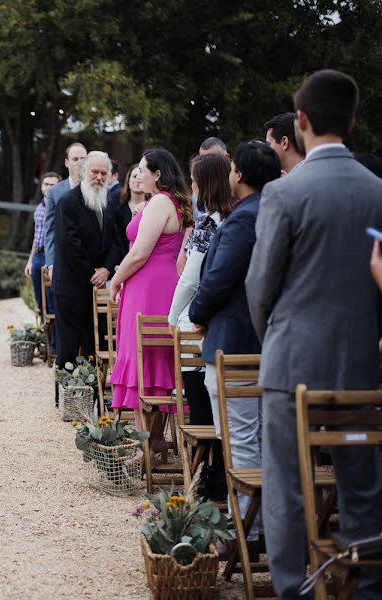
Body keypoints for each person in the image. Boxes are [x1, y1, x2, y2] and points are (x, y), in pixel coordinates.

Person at [246, 70, 382, 599]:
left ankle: (290, 590)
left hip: (291, 362)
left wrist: (275, 335)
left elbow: (260, 285)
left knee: (286, 487)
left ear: (300, 121)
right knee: (362, 483)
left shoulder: (285, 193)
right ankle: (369, 588)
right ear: (350, 120)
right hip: (359, 365)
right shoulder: (377, 192)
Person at [190, 142, 280, 553]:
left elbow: (221, 277)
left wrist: (197, 312)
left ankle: (248, 531)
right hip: (258, 338)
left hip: (235, 339)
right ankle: (251, 522)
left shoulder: (246, 218)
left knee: (240, 438)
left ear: (239, 175)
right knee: (253, 436)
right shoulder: (269, 210)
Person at [109, 148, 191, 459]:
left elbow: (140, 252)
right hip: (161, 284)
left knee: (142, 361)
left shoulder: (159, 202)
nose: (138, 174)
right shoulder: (168, 202)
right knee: (157, 363)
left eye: (143, 170)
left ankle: (144, 447)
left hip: (148, 287)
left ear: (158, 175)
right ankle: (155, 440)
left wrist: (116, 280)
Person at [168, 153, 233, 426]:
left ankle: (206, 465)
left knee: (199, 402)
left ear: (205, 184)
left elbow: (191, 279)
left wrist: (172, 317)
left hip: (196, 317)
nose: (191, 187)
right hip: (225, 318)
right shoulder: (234, 217)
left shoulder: (208, 223)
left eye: (194, 181)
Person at [52, 152, 122, 373]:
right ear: (84, 172)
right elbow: (68, 244)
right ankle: (66, 399)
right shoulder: (67, 202)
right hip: (71, 286)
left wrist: (107, 269)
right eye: (95, 172)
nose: (99, 177)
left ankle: (91, 397)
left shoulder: (109, 202)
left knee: (94, 343)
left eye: (104, 173)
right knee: (69, 347)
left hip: (98, 287)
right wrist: (93, 273)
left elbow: (117, 242)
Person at [43, 143, 87, 271]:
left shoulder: (97, 190)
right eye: (75, 159)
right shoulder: (54, 192)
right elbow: (50, 229)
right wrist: (51, 264)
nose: (80, 162)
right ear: (67, 163)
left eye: (83, 159)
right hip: (63, 261)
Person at [24, 171, 60, 322]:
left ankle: (54, 343)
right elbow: (36, 236)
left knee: (52, 300)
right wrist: (30, 260)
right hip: (38, 255)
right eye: (46, 184)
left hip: (51, 256)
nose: (49, 187)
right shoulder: (39, 207)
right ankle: (43, 335)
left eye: (53, 185)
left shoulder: (59, 207)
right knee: (40, 301)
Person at [113, 164, 147, 257]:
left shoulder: (152, 207)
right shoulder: (118, 210)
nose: (138, 180)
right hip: (123, 261)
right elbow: (117, 241)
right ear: (128, 180)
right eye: (135, 176)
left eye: (141, 176)